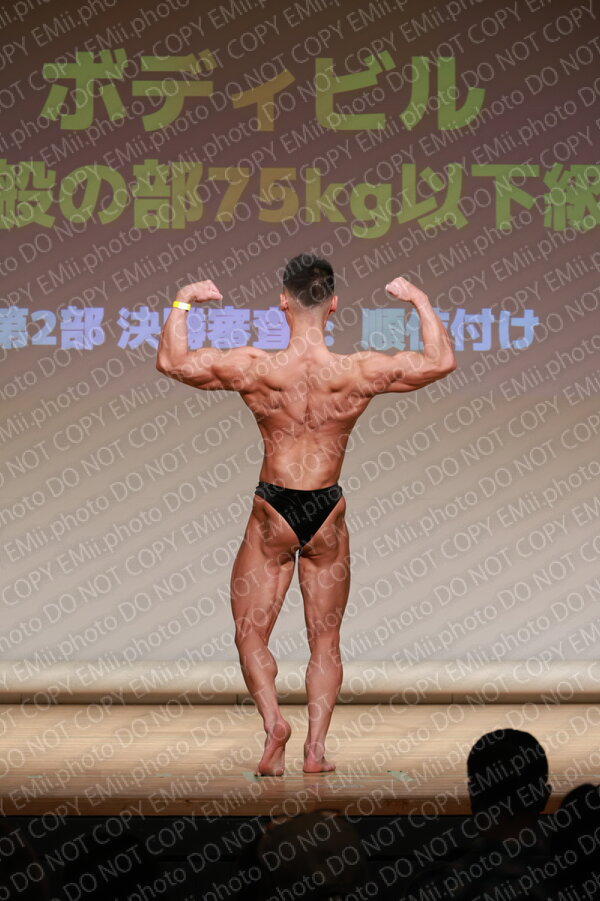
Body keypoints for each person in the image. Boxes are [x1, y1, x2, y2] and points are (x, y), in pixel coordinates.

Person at [156, 252, 456, 775]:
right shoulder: (356, 371)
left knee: (250, 634)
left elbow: (172, 362)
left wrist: (183, 300)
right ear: (334, 305)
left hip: (272, 508)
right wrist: (420, 301)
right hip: (326, 510)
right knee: (326, 640)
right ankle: (315, 751)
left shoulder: (257, 368)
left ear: (283, 303)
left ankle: (275, 722)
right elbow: (440, 361)